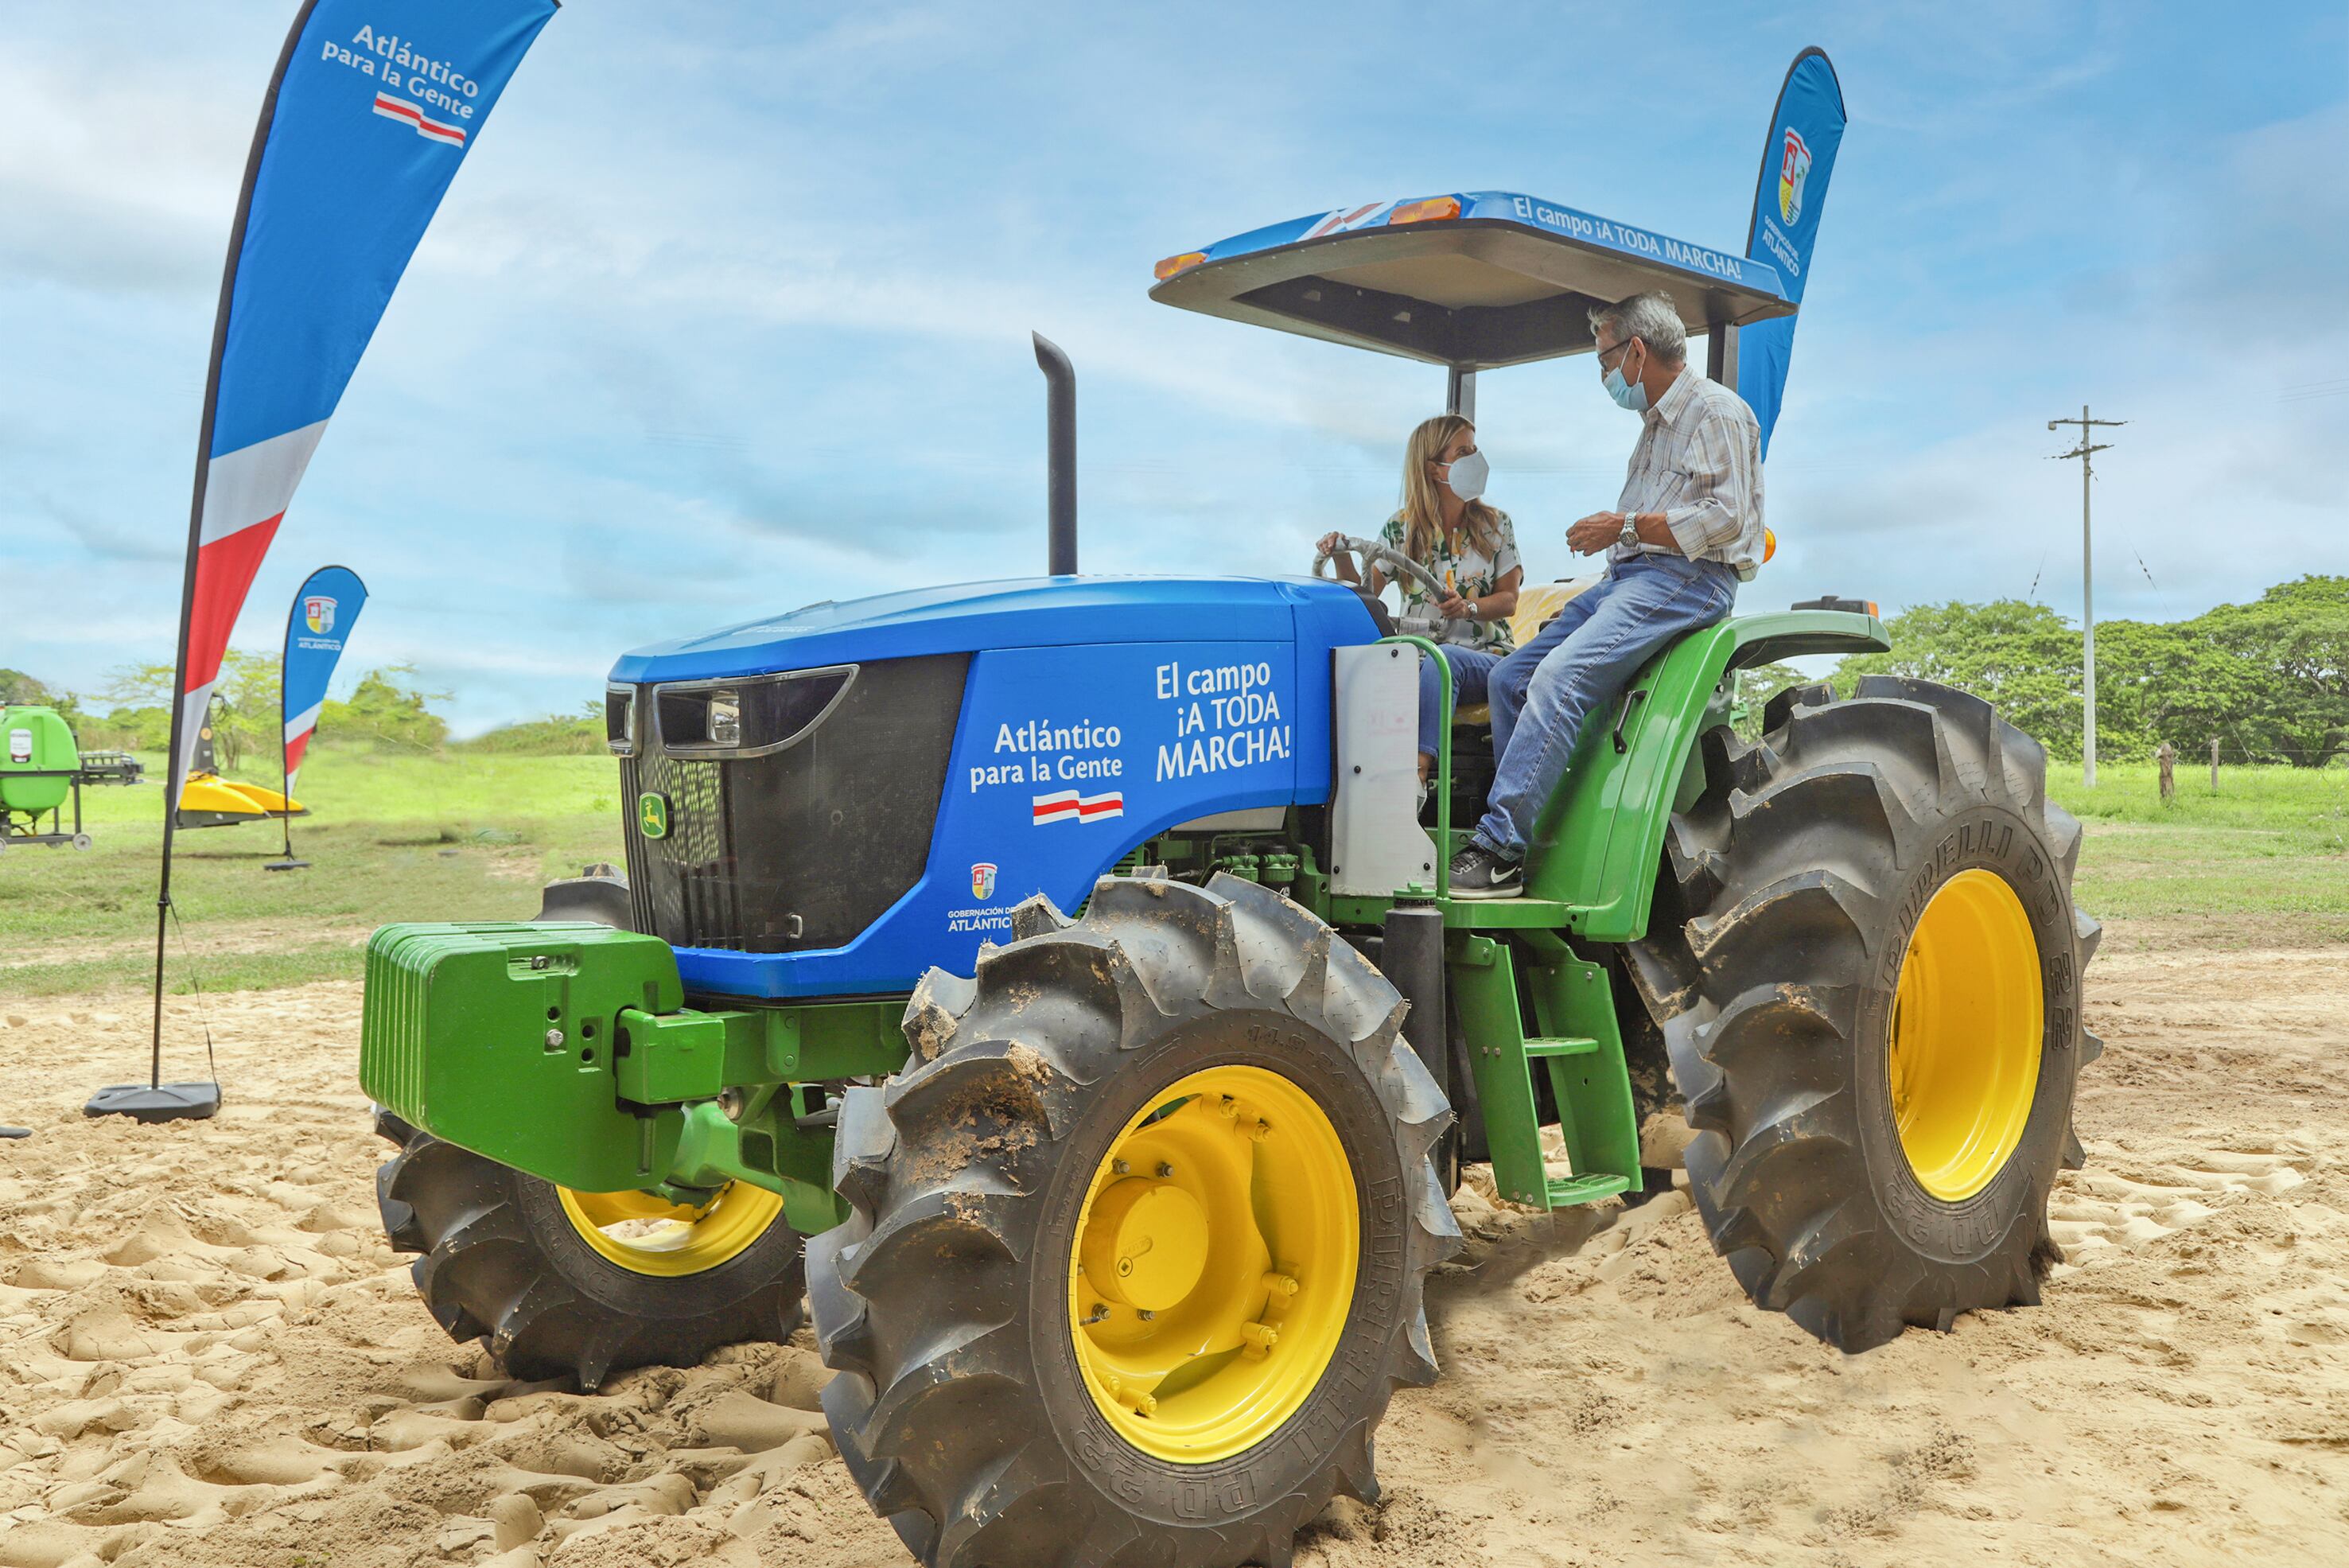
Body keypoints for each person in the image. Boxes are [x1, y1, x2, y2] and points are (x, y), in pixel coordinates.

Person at [1448, 292, 1764, 898]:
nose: (1603, 376)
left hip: (1687, 580)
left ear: (1636, 351)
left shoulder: (1715, 413)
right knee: (1508, 678)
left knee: (1558, 680)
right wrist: (1620, 540)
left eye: (1603, 360)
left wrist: (1620, 527)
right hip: (1629, 578)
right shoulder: (1654, 424)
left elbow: (1725, 519)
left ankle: (1498, 846)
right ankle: (1530, 840)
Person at [1319, 414, 1523, 785]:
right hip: (1415, 660)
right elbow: (1363, 597)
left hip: (1483, 658)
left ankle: (1415, 777)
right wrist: (1342, 554)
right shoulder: (1402, 528)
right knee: (1348, 672)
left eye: (1474, 450)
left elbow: (1509, 600)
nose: (1475, 459)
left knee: (1443, 660)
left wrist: (1469, 608)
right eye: (1463, 452)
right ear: (1433, 468)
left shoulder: (1497, 525)